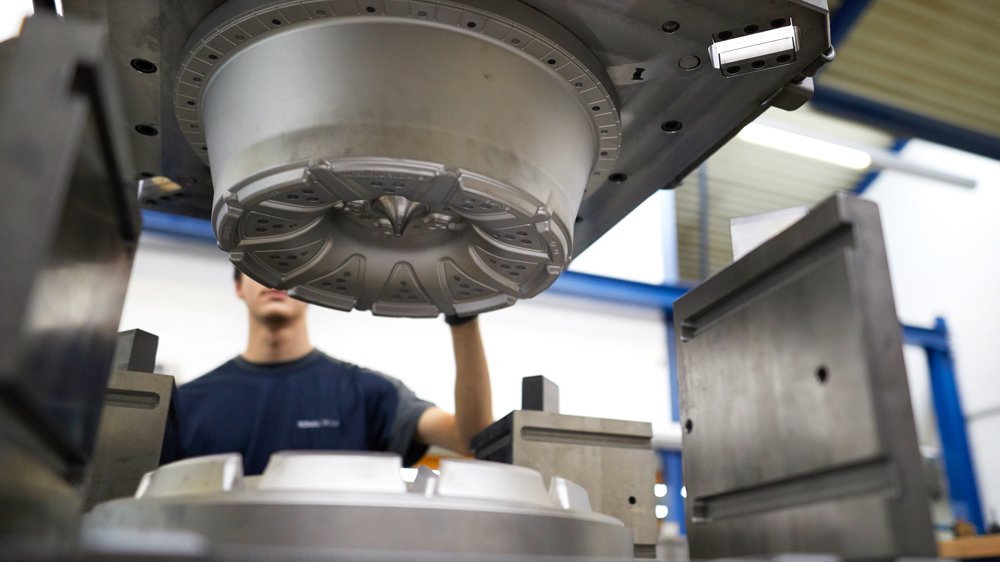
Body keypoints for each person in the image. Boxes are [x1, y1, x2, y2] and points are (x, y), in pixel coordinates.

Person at [160, 268, 493, 475]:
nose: (274, 275)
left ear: (312, 287)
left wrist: (463, 318)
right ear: (238, 286)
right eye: (258, 264)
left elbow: (469, 438)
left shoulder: (367, 394)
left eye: (290, 264)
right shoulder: (186, 404)